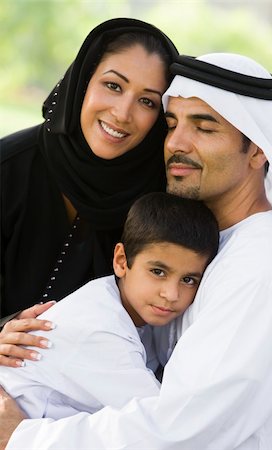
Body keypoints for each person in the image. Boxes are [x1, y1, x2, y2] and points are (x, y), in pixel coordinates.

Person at [0, 52, 272, 450]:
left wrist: (23, 437)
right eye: (172, 124)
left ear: (258, 150)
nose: (175, 143)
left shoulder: (264, 267)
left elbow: (187, 431)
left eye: (204, 128)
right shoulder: (204, 242)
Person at [0, 18, 178, 320]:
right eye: (113, 85)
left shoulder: (160, 198)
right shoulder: (8, 167)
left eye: (147, 101)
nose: (122, 113)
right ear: (83, 82)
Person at [0, 191, 219, 419]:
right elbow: (165, 425)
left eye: (188, 280)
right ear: (121, 261)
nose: (172, 294)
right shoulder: (98, 328)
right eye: (158, 272)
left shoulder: (124, 306)